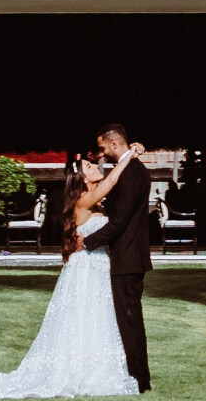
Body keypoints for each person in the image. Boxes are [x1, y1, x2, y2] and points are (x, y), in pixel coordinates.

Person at [0, 143, 146, 397]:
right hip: (85, 267)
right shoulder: (84, 202)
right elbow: (110, 182)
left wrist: (133, 150)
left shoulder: (97, 203)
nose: (95, 166)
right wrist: (128, 156)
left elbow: (113, 191)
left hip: (97, 266)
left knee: (98, 317)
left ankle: (95, 366)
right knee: (82, 317)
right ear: (81, 179)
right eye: (88, 166)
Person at [75, 126, 154, 392]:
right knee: (126, 319)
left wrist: (87, 241)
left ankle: (139, 379)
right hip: (128, 257)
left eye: (103, 148)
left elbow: (119, 222)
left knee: (130, 320)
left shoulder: (130, 172)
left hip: (127, 258)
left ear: (113, 143)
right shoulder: (130, 168)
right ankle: (134, 373)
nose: (101, 154)